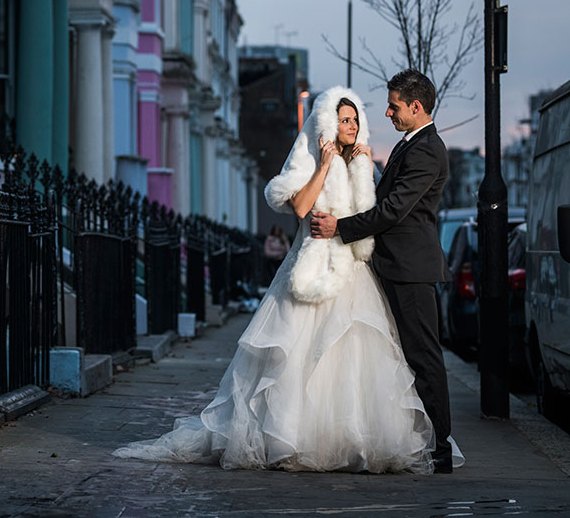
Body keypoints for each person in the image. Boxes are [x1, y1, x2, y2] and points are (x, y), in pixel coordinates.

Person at [113, 85, 461, 474]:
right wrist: (326, 166)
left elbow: (386, 208)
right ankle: (301, 436)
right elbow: (299, 205)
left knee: (367, 358)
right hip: (316, 267)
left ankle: (417, 444)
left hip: (359, 268)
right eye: (344, 119)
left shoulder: (383, 158)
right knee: (304, 356)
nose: (354, 124)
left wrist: (345, 215)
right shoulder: (323, 157)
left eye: (354, 119)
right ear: (328, 122)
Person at [310, 69, 457, 474]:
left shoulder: (427, 149)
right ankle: (420, 437)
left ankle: (439, 448)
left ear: (415, 106)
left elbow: (394, 210)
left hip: (410, 268)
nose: (388, 112)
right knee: (402, 357)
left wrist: (340, 228)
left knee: (422, 357)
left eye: (394, 106)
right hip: (394, 264)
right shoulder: (410, 145)